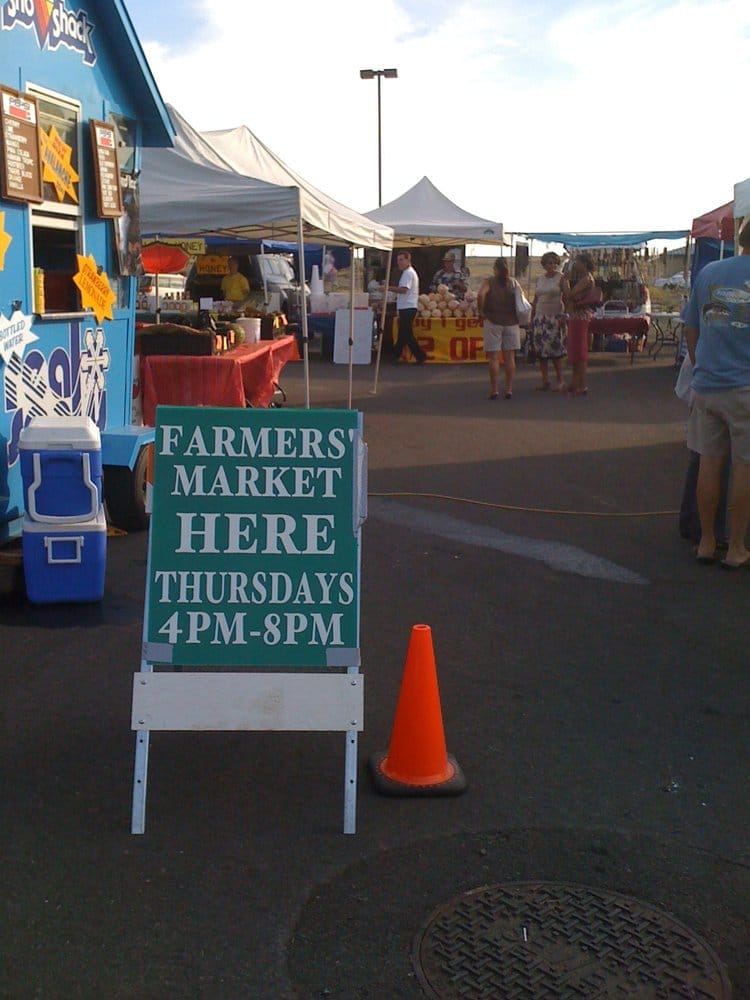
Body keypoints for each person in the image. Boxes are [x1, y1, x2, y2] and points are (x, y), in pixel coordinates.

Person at [683, 217, 750, 569]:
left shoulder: (709, 272)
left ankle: (707, 541)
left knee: (709, 462)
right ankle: (736, 546)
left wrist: (700, 366)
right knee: (744, 467)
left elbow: (690, 328)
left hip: (708, 385)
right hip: (745, 388)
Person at [477, 258, 522, 399]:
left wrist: (481, 311)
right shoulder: (513, 282)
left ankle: (494, 389)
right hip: (511, 322)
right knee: (510, 357)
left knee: (494, 358)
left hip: (493, 321)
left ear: (495, 269)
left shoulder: (489, 282)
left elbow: (480, 294)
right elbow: (522, 300)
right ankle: (509, 389)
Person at [531, 251, 569, 391]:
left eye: (553, 263)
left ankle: (560, 380)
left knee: (556, 351)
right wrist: (532, 316)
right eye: (548, 263)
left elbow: (567, 297)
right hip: (540, 317)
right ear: (544, 264)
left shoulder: (561, 278)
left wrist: (565, 315)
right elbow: (536, 298)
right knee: (541, 352)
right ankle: (545, 380)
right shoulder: (540, 279)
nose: (551, 265)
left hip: (555, 317)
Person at [564, 252, 597, 396]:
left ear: (584, 264)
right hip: (577, 315)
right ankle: (575, 382)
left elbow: (570, 295)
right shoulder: (584, 278)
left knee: (580, 350)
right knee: (576, 350)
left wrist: (565, 282)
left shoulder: (586, 279)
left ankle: (581, 385)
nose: (575, 265)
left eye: (577, 262)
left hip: (580, 316)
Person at [389, 251, 426, 364]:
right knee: (403, 334)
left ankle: (420, 355)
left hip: (408, 308)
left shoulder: (408, 273)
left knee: (407, 334)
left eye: (401, 260)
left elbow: (404, 290)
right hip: (406, 307)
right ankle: (396, 355)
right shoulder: (408, 273)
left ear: (408, 260)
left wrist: (388, 288)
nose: (399, 262)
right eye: (398, 260)